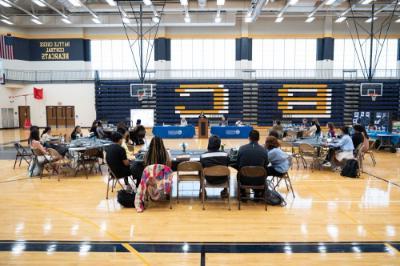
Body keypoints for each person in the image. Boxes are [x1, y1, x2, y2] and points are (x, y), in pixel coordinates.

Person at [237, 130, 269, 198]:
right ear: (259, 138)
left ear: (249, 138)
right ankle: (257, 193)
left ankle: (243, 194)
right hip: (259, 180)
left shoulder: (242, 148)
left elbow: (238, 163)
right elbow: (266, 164)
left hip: (244, 179)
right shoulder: (264, 150)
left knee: (239, 172)